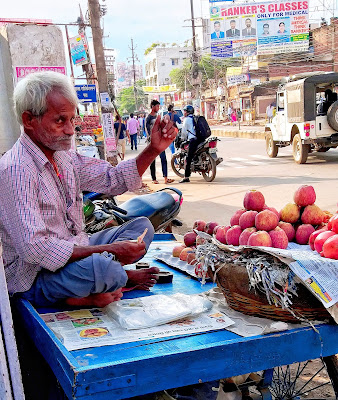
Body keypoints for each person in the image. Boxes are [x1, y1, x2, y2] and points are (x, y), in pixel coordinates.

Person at [0, 71, 177, 308]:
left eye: (72, 120)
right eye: (60, 121)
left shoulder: (64, 158)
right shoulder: (17, 169)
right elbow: (35, 250)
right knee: (104, 269)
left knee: (142, 226)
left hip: (75, 250)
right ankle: (105, 284)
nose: (71, 130)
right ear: (30, 120)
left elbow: (112, 177)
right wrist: (108, 250)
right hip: (35, 275)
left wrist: (153, 150)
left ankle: (106, 278)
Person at [146, 100, 174, 185]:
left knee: (163, 159)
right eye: (157, 106)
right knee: (152, 161)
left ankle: (165, 177)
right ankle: (153, 178)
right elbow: (147, 130)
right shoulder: (149, 117)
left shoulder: (158, 116)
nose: (158, 108)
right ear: (153, 107)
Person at [179, 105, 202, 183]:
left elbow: (184, 132)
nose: (184, 113)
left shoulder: (186, 120)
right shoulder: (195, 118)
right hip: (200, 139)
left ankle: (186, 177)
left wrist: (182, 139)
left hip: (192, 140)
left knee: (188, 158)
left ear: (188, 112)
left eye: (185, 111)